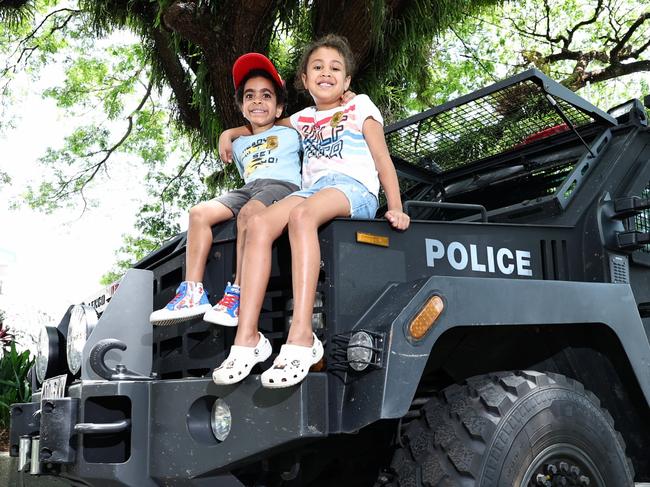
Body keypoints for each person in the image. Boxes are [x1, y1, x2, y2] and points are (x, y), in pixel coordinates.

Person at [213, 34, 410, 388]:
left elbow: (382, 159)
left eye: (335, 68)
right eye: (317, 67)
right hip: (312, 191)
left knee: (301, 216)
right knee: (258, 224)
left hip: (352, 189)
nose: (326, 73)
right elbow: (263, 125)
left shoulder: (360, 106)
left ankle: (302, 335)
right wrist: (229, 133)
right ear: (304, 80)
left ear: (347, 81)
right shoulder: (302, 119)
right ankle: (248, 339)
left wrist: (395, 207)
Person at [149, 53, 302, 327]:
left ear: (279, 108)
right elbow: (247, 129)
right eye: (250, 96)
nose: (258, 101)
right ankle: (192, 292)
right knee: (199, 213)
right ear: (242, 106)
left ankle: (239, 293)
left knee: (250, 213)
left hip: (282, 186)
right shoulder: (240, 142)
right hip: (249, 187)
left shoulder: (292, 129)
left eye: (267, 96)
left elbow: (321, 116)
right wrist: (229, 134)